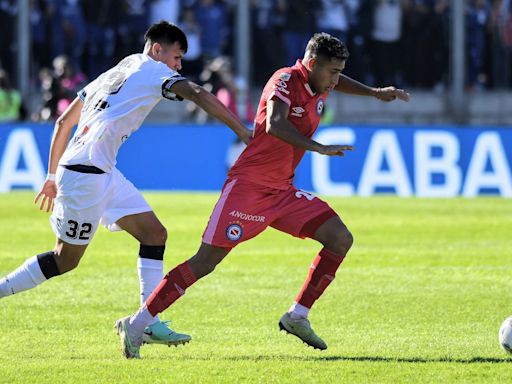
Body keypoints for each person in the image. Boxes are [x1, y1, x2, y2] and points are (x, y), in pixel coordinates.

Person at [116, 32, 409, 359]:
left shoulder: (321, 82)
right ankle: (138, 323)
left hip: (282, 191)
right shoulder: (284, 80)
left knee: (340, 238)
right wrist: (318, 148)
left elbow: (335, 83)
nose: (335, 80)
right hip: (249, 188)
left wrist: (374, 92)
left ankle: (298, 315)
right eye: (332, 72)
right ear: (311, 64)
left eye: (339, 72)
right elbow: (274, 123)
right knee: (205, 263)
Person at [0, 21, 251, 348]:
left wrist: (50, 177)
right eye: (176, 58)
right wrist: (243, 131)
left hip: (99, 171)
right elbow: (197, 92)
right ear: (158, 50)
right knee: (66, 260)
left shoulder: (118, 69)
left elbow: (64, 121)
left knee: (154, 234)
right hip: (85, 176)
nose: (178, 67)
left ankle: (147, 321)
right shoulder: (151, 69)